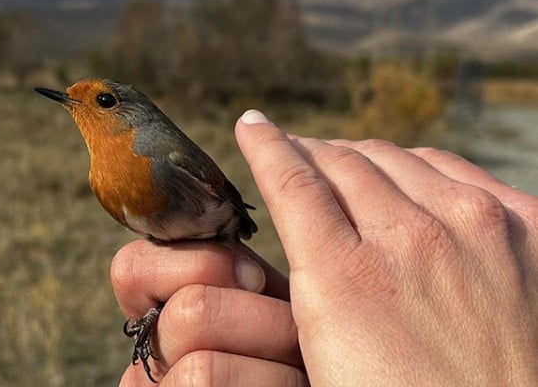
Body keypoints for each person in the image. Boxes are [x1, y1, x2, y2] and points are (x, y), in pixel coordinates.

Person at [114, 109, 538, 386]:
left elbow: (222, 193)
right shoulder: (107, 175)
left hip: (217, 228)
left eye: (105, 101)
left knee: (211, 289)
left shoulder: (166, 156)